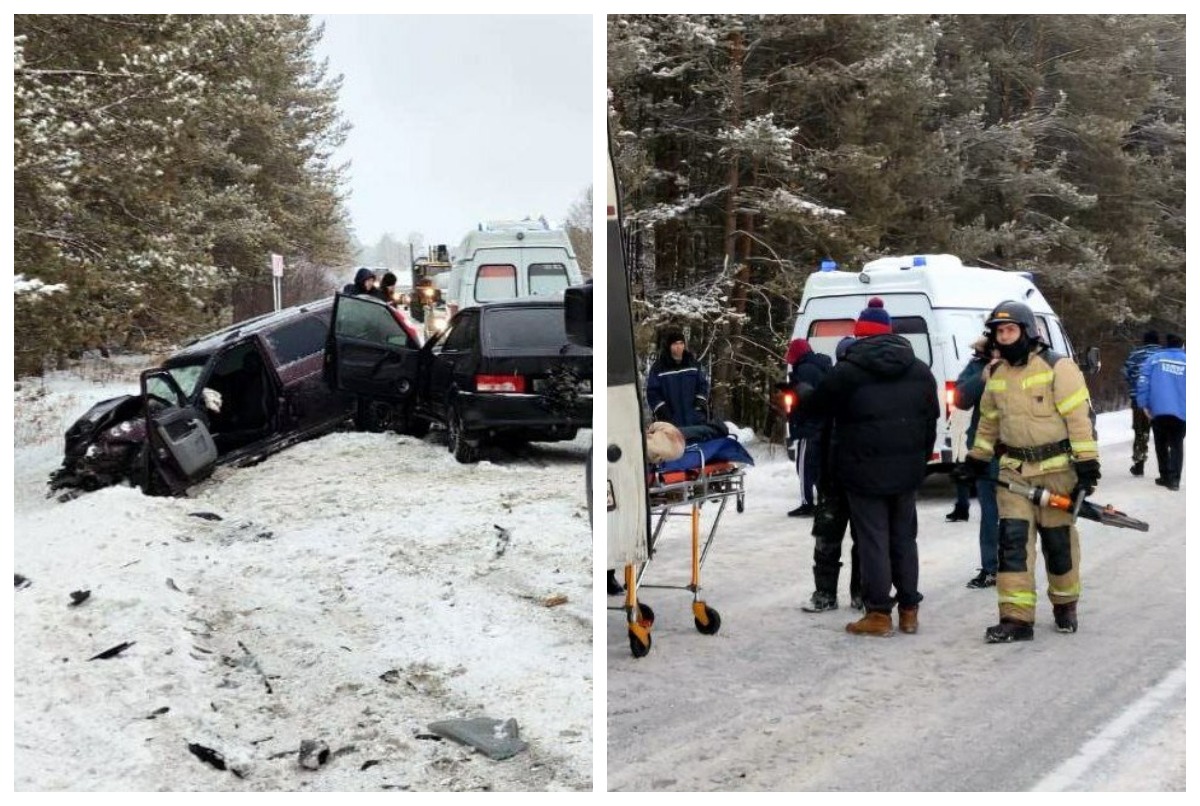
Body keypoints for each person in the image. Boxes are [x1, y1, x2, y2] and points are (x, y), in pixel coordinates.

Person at [960, 300, 1100, 643]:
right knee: (1012, 544)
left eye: (1010, 330)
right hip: (1013, 474)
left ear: (1027, 331)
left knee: (1058, 544)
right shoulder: (995, 374)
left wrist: (1087, 465)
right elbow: (989, 423)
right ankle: (1016, 619)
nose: (1005, 337)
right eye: (999, 332)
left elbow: (1079, 419)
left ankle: (1065, 604)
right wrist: (977, 458)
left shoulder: (1058, 367)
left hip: (1057, 473)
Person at [799, 298, 939, 636]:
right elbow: (931, 421)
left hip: (861, 469)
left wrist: (804, 392)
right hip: (906, 471)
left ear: (860, 335)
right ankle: (908, 609)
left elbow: (815, 408)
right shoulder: (920, 370)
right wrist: (919, 461)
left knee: (873, 539)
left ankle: (877, 613)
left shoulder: (846, 372)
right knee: (904, 538)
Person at [954, 336, 1001, 589]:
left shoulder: (1028, 365)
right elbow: (961, 398)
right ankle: (990, 567)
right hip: (985, 452)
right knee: (989, 513)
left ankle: (1016, 566)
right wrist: (982, 377)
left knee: (1018, 515)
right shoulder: (978, 366)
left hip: (1018, 453)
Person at [785, 337, 832, 517]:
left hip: (810, 426)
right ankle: (824, 501)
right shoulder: (822, 366)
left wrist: (797, 420)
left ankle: (807, 503)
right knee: (820, 466)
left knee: (803, 466)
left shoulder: (804, 370)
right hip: (824, 425)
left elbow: (803, 399)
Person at [1136, 333, 1185, 491]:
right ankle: (1175, 479)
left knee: (1161, 443)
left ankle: (1164, 476)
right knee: (1177, 444)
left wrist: (1143, 403)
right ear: (1181, 345)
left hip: (1158, 410)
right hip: (1182, 411)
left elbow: (1143, 381)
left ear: (1167, 344)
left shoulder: (1155, 359)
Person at [645, 329, 710, 430]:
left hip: (694, 419)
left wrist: (700, 403)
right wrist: (661, 409)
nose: (679, 347)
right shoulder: (659, 367)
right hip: (670, 420)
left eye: (681, 343)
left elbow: (703, 384)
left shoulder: (693, 364)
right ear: (669, 346)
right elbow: (652, 392)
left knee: (697, 444)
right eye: (675, 344)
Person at [1123, 330, 1161, 476]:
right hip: (1160, 400)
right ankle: (1167, 468)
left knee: (1141, 432)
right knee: (1161, 434)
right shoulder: (1162, 355)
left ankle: (1139, 465)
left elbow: (1126, 372)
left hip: (1139, 399)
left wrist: (1134, 383)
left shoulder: (1135, 354)